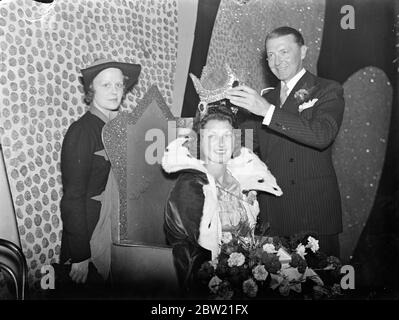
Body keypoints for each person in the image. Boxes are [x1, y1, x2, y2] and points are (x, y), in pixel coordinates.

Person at [226, 26, 345, 257]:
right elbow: (245, 142)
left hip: (313, 213)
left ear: (303, 51)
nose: (276, 61)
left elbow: (322, 135)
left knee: (320, 287)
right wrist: (216, 121)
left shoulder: (327, 89)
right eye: (270, 55)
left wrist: (267, 111)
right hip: (273, 215)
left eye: (283, 52)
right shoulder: (265, 98)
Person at [162, 95, 282, 296]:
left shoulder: (241, 182)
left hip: (243, 279)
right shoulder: (191, 186)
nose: (220, 144)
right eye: (212, 137)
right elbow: (197, 254)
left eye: (226, 136)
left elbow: (249, 238)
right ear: (199, 140)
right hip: (204, 284)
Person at [59, 59, 141, 294]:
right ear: (91, 90)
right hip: (90, 239)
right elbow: (73, 198)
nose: (114, 91)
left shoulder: (126, 129)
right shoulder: (81, 131)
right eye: (106, 85)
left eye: (118, 85)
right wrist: (80, 254)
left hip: (121, 234)